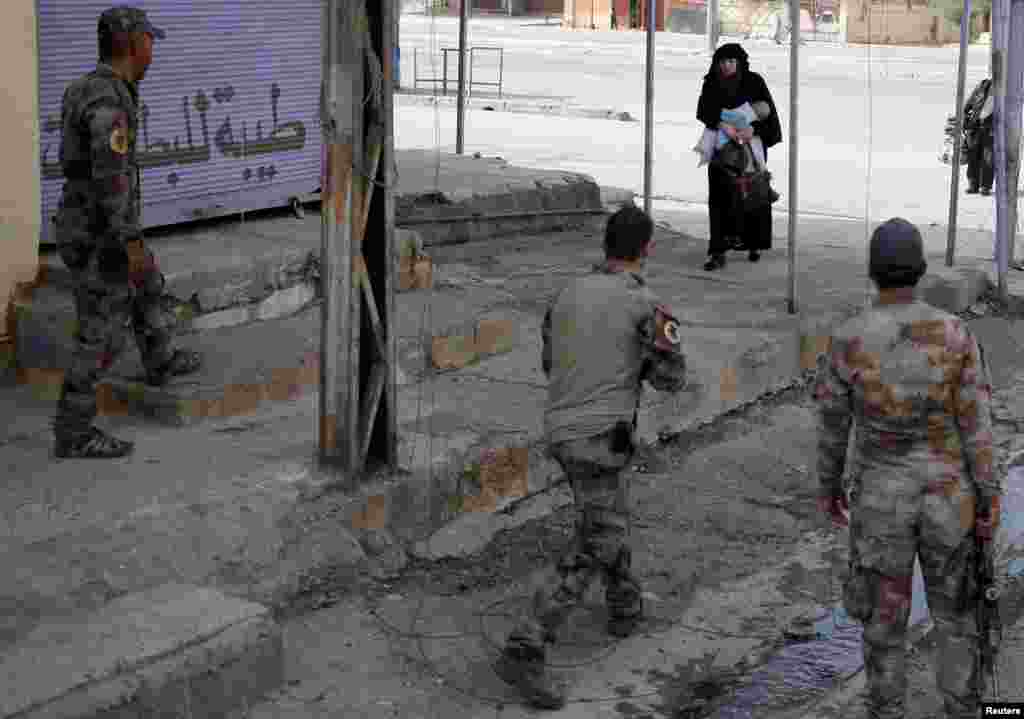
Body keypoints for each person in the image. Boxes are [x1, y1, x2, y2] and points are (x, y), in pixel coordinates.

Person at [494, 205, 688, 710]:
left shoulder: (565, 294)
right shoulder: (646, 305)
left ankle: (624, 604)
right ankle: (527, 643)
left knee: (606, 515)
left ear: (605, 245)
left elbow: (548, 361)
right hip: (601, 437)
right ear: (646, 249)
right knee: (600, 536)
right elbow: (670, 378)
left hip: (561, 431)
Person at [813, 218, 1002, 719]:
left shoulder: (848, 337)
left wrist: (829, 488)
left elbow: (832, 429)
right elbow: (977, 426)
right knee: (957, 619)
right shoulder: (955, 333)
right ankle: (963, 709)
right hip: (949, 500)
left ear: (872, 272)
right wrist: (989, 497)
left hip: (880, 503)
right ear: (920, 271)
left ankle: (886, 710)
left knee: (883, 623)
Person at [52, 6, 202, 459]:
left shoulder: (88, 87)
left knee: (147, 284)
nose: (153, 50)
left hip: (93, 224)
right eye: (150, 41)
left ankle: (160, 361)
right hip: (101, 232)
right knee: (101, 334)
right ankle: (73, 429)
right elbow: (110, 179)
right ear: (132, 43)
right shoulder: (109, 104)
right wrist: (129, 241)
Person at [697, 43, 783, 271]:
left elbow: (769, 115)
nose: (726, 65)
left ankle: (753, 243)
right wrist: (722, 124)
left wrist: (753, 130)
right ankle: (718, 251)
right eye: (722, 61)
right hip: (720, 147)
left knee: (752, 195)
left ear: (740, 62)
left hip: (751, 147)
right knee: (719, 198)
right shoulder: (711, 82)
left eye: (731, 61)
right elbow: (703, 110)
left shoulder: (754, 81)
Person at [963, 77, 994, 196]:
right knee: (973, 155)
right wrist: (964, 114)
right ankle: (973, 184)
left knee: (988, 157)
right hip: (975, 125)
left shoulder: (1005, 90)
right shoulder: (983, 84)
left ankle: (985, 186)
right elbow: (971, 100)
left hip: (991, 127)